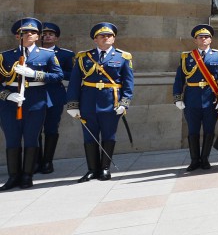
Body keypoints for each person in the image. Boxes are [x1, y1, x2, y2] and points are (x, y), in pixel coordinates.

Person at [66, 22, 134, 182]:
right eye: (102, 36)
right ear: (95, 39)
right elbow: (75, 82)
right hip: (88, 102)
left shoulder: (123, 57)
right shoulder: (84, 57)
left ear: (114, 38)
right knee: (89, 136)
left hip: (112, 102)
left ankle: (104, 168)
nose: (106, 38)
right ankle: (91, 169)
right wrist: (72, 104)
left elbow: (128, 82)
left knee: (109, 135)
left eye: (109, 36)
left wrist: (124, 103)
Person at [0, 18, 64, 190]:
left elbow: (58, 76)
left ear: (38, 36)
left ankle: (27, 176)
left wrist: (35, 74)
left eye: (33, 32)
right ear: (17, 36)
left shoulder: (47, 54)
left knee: (31, 139)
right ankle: (14, 176)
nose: (29, 34)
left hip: (36, 101)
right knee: (12, 139)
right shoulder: (5, 56)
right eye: (24, 32)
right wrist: (7, 95)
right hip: (10, 103)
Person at [173, 24, 218, 172]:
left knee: (209, 130)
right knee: (193, 131)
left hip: (212, 100)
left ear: (211, 40)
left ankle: (204, 159)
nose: (204, 39)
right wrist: (178, 98)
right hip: (191, 100)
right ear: (195, 40)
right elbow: (179, 78)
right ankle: (194, 160)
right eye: (200, 37)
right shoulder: (186, 57)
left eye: (206, 37)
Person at [39, 22, 74, 173]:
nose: (47, 36)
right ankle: (35, 161)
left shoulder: (65, 54)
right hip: (34, 94)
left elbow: (72, 75)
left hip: (54, 95)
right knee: (33, 130)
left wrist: (54, 73)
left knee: (51, 128)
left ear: (56, 38)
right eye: (44, 34)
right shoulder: (31, 52)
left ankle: (47, 162)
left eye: (51, 34)